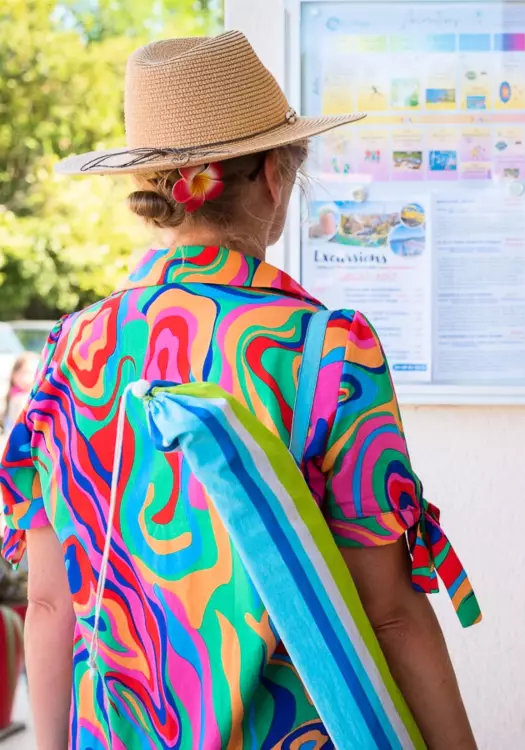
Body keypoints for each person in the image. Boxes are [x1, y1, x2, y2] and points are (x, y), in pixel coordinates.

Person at [0, 31, 479, 749]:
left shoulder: (74, 352)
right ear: (276, 179)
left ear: (153, 195)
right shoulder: (326, 351)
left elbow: (47, 606)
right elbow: (389, 615)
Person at [2, 352, 39, 435]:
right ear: (14, 374)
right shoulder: (17, 397)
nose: (26, 378)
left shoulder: (24, 397)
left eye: (30, 373)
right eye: (22, 372)